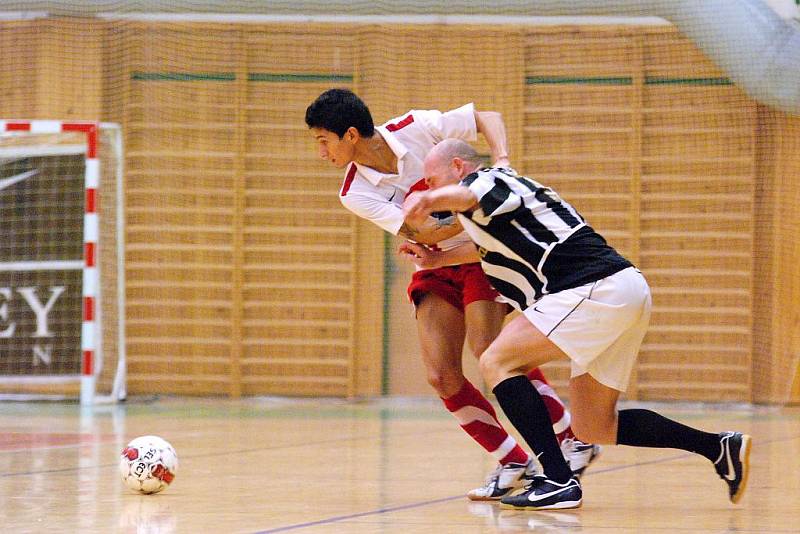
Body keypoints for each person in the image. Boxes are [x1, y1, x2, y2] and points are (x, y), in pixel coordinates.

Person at [402, 138, 752, 510]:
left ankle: (556, 480)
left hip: (593, 289)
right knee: (594, 426)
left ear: (458, 167)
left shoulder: (488, 181)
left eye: (432, 179)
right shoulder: (498, 215)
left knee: (496, 360)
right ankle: (718, 447)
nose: (429, 187)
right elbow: (485, 249)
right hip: (620, 291)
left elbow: (466, 195)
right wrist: (433, 261)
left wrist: (425, 203)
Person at [305, 89, 599, 501]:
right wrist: (443, 224)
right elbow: (423, 234)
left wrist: (501, 168)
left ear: (350, 134)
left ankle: (571, 435)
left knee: (488, 350)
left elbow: (489, 116)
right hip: (440, 266)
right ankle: (511, 458)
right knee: (441, 375)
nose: (321, 152)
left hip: (481, 257)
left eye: (323, 140)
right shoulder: (354, 191)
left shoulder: (414, 127)